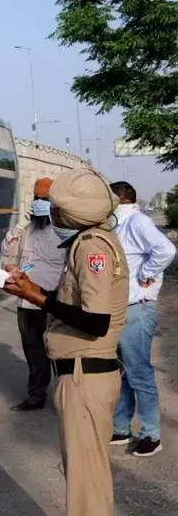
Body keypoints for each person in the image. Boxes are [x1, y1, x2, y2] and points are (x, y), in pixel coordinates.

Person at [2, 167, 127, 516]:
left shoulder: (91, 248)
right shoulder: (91, 240)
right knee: (86, 476)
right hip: (82, 375)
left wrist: (37, 298)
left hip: (85, 378)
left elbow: (96, 320)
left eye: (54, 207)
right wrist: (34, 290)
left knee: (87, 481)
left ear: (72, 212)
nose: (50, 213)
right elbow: (75, 304)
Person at [109, 181, 175, 457]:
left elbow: (167, 250)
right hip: (120, 309)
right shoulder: (117, 224)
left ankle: (151, 434)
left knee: (139, 374)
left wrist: (146, 274)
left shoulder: (137, 221)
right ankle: (122, 427)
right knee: (122, 373)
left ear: (120, 198)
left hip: (136, 309)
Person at [0, 178, 67, 411]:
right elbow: (9, 252)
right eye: (37, 199)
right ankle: (36, 395)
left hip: (55, 299)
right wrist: (19, 226)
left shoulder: (65, 230)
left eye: (45, 199)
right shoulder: (27, 229)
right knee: (33, 348)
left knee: (60, 348)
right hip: (27, 300)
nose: (40, 203)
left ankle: (67, 395)